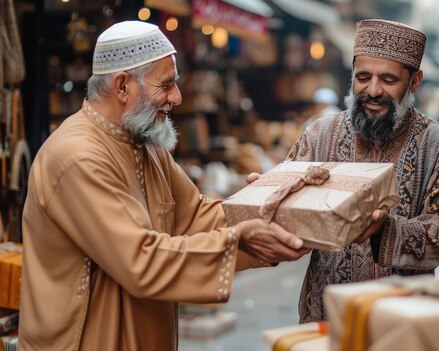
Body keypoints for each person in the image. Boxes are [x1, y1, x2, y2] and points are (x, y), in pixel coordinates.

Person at [19, 21, 309, 350]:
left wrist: (276, 209)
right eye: (166, 84)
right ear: (123, 86)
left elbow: (197, 217)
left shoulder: (146, 146)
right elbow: (141, 261)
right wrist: (240, 239)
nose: (177, 97)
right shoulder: (76, 157)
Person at [285, 19, 439, 322]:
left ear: (414, 82)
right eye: (363, 77)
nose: (372, 90)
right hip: (327, 316)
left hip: (407, 321)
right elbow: (289, 211)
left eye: (388, 80)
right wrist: (272, 195)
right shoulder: (318, 136)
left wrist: (388, 231)